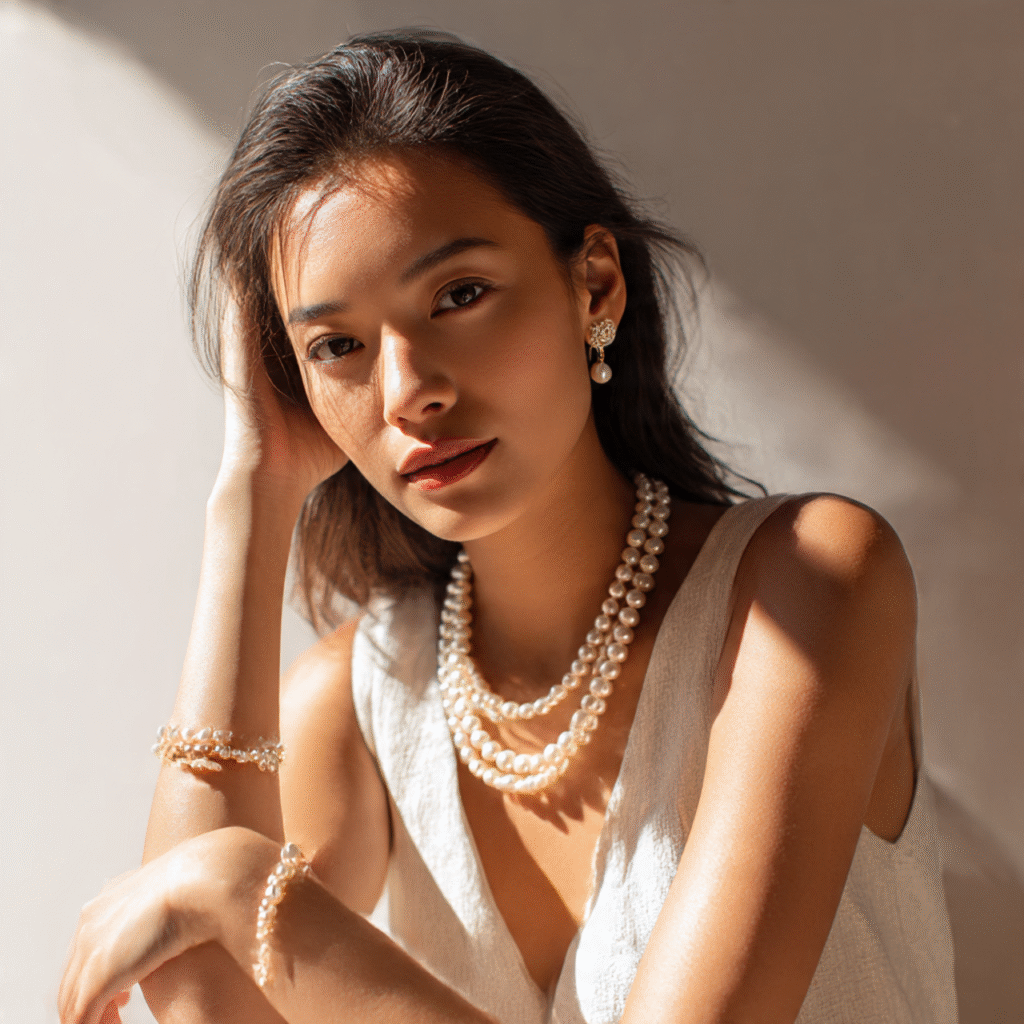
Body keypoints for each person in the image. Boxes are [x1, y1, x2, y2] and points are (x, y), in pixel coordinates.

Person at [58, 30, 958, 1024]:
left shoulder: (807, 587)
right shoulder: (361, 709)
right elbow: (192, 986)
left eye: (459, 294)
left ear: (595, 287)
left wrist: (241, 887)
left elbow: (209, 906)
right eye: (340, 346)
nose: (409, 391)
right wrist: (252, 493)